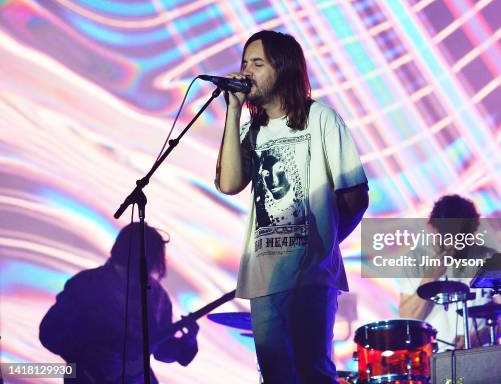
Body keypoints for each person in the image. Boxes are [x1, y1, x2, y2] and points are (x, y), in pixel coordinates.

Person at [215, 30, 369, 383]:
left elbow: (356, 198)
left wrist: (320, 243)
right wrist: (234, 111)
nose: (246, 72)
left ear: (282, 69)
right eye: (244, 63)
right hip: (263, 277)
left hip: (310, 276)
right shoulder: (252, 130)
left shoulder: (322, 119)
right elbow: (228, 184)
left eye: (257, 63)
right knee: (275, 376)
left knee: (313, 372)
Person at [39, 223, 199, 383]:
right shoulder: (88, 284)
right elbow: (49, 332)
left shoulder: (158, 297)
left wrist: (187, 342)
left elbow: (161, 351)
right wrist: (89, 359)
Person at [399, 195, 501, 349]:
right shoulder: (415, 259)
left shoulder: (492, 259)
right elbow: (408, 319)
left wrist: (477, 337)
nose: (454, 243)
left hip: (482, 354)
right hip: (433, 357)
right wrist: (432, 276)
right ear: (432, 227)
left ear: (473, 230)